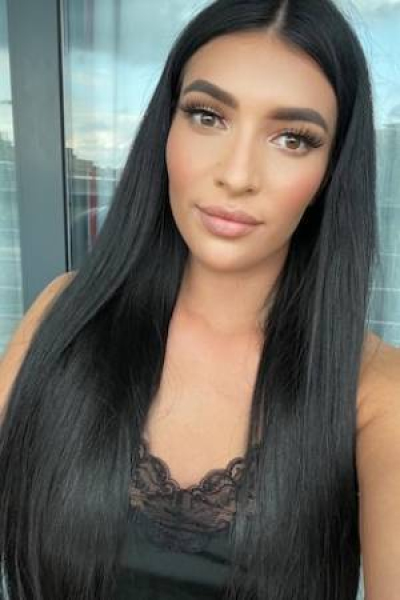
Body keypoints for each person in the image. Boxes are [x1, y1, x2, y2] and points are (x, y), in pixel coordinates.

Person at [1, 0, 400, 598]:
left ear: (331, 172)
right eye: (207, 116)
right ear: (166, 127)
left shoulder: (375, 394)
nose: (237, 175)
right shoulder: (67, 314)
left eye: (293, 139)